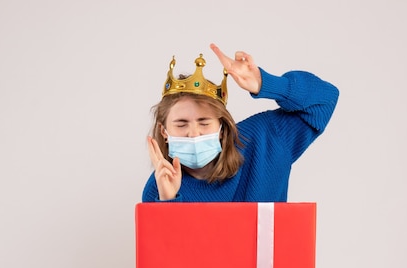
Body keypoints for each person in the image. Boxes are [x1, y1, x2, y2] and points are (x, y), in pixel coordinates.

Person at [142, 43, 339, 202]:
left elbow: (325, 99)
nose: (194, 133)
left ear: (221, 126)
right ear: (164, 131)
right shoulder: (158, 187)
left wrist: (265, 83)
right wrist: (168, 202)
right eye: (181, 124)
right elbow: (170, 251)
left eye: (204, 122)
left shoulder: (265, 138)